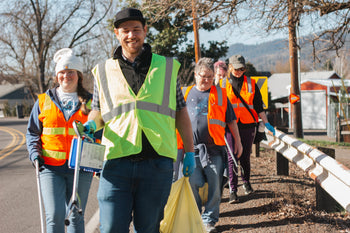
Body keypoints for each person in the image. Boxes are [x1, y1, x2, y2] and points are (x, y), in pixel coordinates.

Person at [87, 8, 195, 233]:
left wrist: (190, 152)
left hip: (157, 163)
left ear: (145, 31)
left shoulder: (166, 67)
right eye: (125, 30)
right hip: (115, 162)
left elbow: (181, 112)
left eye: (136, 29)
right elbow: (98, 111)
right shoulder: (102, 71)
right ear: (117, 33)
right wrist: (91, 124)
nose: (131, 35)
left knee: (148, 229)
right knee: (110, 228)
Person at [26, 48, 93, 233]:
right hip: (50, 167)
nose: (66, 76)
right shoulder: (43, 101)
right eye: (62, 73)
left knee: (75, 216)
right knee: (54, 216)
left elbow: (100, 135)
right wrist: (34, 154)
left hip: (80, 169)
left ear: (78, 75)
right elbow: (32, 133)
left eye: (70, 72)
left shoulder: (91, 103)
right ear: (57, 76)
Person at [182, 57, 242, 233]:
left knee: (215, 187)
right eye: (203, 76)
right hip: (191, 151)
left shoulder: (221, 94)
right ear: (195, 75)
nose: (206, 79)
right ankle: (195, 217)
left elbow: (231, 121)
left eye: (210, 76)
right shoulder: (185, 93)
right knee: (193, 184)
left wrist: (238, 142)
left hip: (214, 150)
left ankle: (209, 221)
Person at [219, 54, 275, 203]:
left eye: (242, 68)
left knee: (245, 157)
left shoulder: (251, 83)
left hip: (248, 125)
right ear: (230, 67)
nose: (239, 71)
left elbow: (258, 106)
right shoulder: (221, 85)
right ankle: (233, 190)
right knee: (232, 157)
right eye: (236, 68)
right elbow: (216, 107)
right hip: (229, 126)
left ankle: (246, 182)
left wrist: (266, 123)